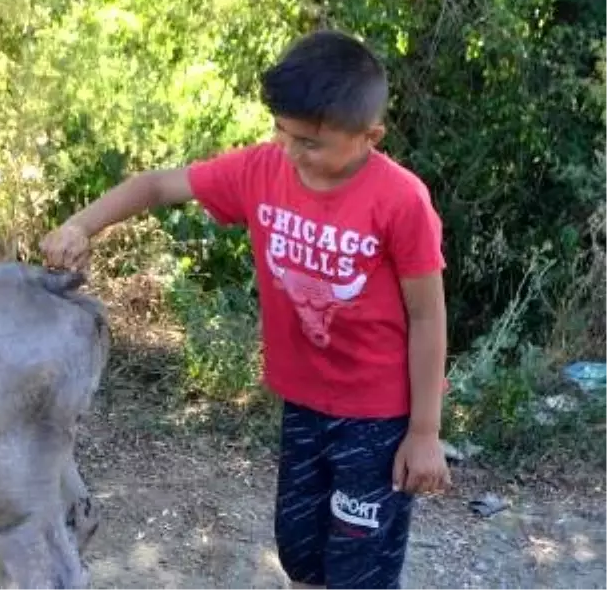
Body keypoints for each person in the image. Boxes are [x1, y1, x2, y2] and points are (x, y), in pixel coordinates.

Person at [41, 31, 451, 589]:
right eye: (282, 131)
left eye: (309, 142)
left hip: (377, 417)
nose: (290, 150)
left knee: (360, 570)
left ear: (369, 135)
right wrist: (81, 224)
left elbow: (427, 317)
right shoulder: (262, 170)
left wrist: (424, 432)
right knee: (301, 555)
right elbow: (160, 185)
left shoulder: (402, 201)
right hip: (304, 404)